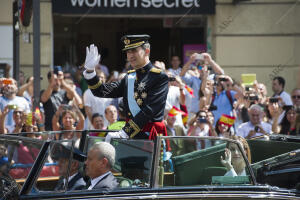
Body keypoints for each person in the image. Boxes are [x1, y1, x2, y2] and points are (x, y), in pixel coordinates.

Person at [83, 35, 169, 142]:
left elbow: (150, 110)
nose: (130, 55)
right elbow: (101, 91)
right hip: (130, 136)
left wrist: (125, 132)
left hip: (150, 136)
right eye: (128, 52)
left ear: (146, 51)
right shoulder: (129, 77)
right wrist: (90, 72)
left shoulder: (159, 77)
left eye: (134, 51)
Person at [41, 66, 82, 131]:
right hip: (50, 129)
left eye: (58, 79)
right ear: (49, 80)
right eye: (55, 79)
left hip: (64, 128)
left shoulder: (64, 92)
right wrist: (52, 83)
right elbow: (44, 98)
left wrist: (62, 80)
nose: (57, 81)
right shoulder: (44, 92)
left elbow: (72, 94)